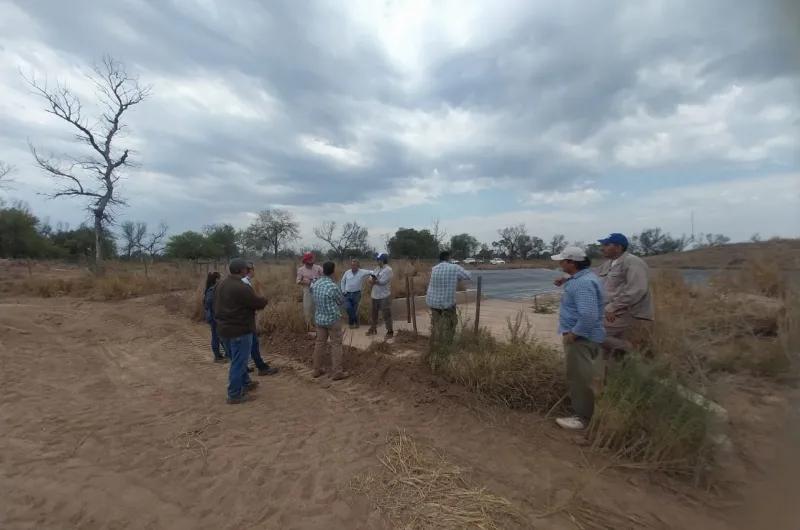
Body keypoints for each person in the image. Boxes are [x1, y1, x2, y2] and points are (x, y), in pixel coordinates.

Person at [551, 246, 605, 430]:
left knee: (580, 378)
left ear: (572, 263)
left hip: (580, 339)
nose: (560, 263)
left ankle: (582, 418)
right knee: (587, 376)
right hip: (587, 337)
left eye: (563, 261)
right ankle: (588, 413)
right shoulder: (585, 278)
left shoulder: (582, 284)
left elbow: (588, 315)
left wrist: (574, 334)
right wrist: (566, 280)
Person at [214, 259, 268, 404]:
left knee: (236, 359)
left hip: (223, 329)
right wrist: (264, 299)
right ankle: (234, 394)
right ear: (241, 270)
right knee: (239, 362)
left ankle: (245, 382)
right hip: (240, 330)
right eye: (246, 268)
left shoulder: (221, 284)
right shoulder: (241, 287)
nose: (247, 270)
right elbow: (257, 303)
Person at [596, 233, 654, 354]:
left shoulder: (633, 262)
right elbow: (591, 277)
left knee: (591, 332)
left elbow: (637, 289)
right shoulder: (608, 263)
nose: (602, 248)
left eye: (606, 245)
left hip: (628, 313)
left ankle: (634, 351)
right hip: (612, 312)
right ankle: (615, 359)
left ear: (618, 247)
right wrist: (568, 278)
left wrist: (612, 307)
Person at [311, 261, 349, 380]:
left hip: (320, 318)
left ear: (323, 270)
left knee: (319, 343)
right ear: (333, 271)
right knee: (336, 344)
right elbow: (340, 301)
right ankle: (337, 372)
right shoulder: (333, 286)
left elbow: (313, 296)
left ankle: (316, 370)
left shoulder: (316, 283)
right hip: (332, 319)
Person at [426, 251, 471, 346]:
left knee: (436, 324)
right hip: (447, 303)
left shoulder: (434, 268)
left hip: (433, 302)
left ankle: (436, 344)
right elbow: (468, 275)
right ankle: (447, 345)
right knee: (451, 324)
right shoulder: (454, 267)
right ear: (448, 258)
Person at [242, 262, 278, 376]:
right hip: (246, 319)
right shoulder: (245, 283)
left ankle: (247, 366)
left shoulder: (244, 282)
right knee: (253, 343)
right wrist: (261, 301)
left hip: (243, 318)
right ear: (249, 270)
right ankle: (261, 367)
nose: (254, 272)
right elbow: (250, 301)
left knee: (249, 344)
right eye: (253, 269)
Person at [366, 252, 394, 339]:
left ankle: (390, 331)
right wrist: (373, 280)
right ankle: (373, 328)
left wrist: (374, 281)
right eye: (377, 259)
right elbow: (370, 279)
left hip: (384, 296)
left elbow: (382, 282)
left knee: (386, 314)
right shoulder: (377, 268)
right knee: (374, 314)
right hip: (374, 295)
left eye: (379, 259)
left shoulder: (388, 270)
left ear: (383, 260)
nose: (377, 261)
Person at [340, 258, 372, 328]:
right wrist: (343, 291)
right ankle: (356, 321)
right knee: (348, 308)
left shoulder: (362, 271)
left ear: (358, 266)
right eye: (352, 265)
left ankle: (351, 324)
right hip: (347, 294)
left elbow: (372, 272)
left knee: (355, 310)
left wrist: (371, 277)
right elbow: (342, 281)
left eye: (355, 265)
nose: (353, 266)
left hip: (357, 294)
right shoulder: (347, 272)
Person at [203, 271, 227, 363]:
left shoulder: (211, 289)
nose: (221, 280)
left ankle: (221, 355)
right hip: (214, 316)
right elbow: (208, 303)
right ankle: (218, 356)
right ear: (216, 279)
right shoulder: (212, 290)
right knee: (217, 336)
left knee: (218, 336)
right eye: (220, 278)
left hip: (214, 316)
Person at [297, 252, 323, 329]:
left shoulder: (318, 268)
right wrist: (307, 282)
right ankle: (309, 326)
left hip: (318, 290)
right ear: (305, 261)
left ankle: (317, 325)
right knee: (307, 307)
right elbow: (298, 281)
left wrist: (318, 280)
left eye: (312, 259)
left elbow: (325, 276)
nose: (311, 261)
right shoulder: (301, 270)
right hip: (307, 290)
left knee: (317, 307)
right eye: (309, 260)